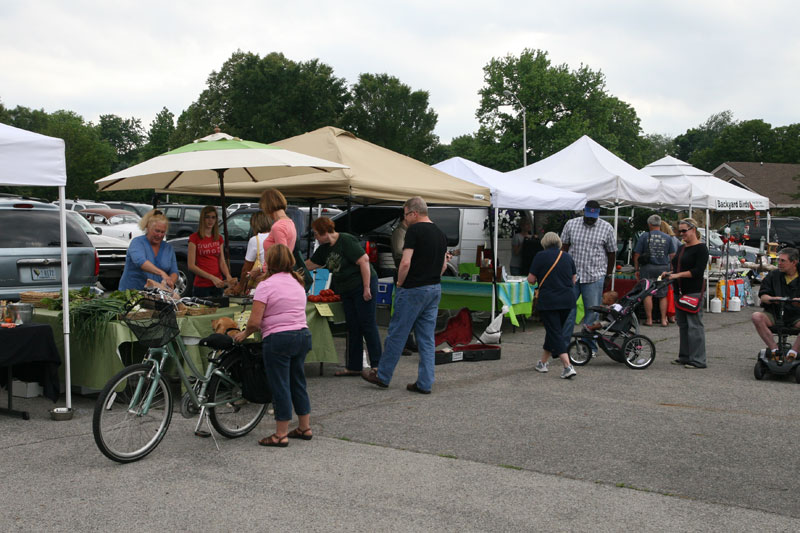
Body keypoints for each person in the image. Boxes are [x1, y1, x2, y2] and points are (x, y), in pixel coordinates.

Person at [362, 196, 448, 394]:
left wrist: (400, 283)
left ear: (414, 213)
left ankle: (383, 375)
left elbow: (405, 262)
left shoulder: (414, 231)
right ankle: (425, 382)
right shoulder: (440, 233)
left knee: (397, 333)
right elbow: (443, 265)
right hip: (434, 288)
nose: (405, 219)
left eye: (406, 214)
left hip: (412, 289)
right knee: (426, 338)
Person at [234, 244, 312, 447]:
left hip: (278, 339)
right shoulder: (297, 282)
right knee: (297, 381)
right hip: (302, 335)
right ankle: (304, 427)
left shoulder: (265, 286)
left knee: (280, 385)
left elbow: (254, 322)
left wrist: (245, 333)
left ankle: (280, 434)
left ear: (270, 262)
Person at [306, 217, 382, 376]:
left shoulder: (345, 240)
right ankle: (354, 367)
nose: (315, 238)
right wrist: (288, 266)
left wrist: (367, 288)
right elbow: (310, 264)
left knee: (367, 323)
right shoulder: (324, 248)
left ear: (325, 232)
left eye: (316, 234)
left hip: (362, 285)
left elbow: (364, 261)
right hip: (346, 289)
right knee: (353, 326)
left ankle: (378, 365)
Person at [560, 200, 616, 352]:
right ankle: (563, 346)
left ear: (598, 214)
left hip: (595, 275)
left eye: (594, 216)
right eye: (588, 215)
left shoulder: (606, 228)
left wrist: (608, 274)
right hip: (572, 275)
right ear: (583, 211)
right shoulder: (571, 224)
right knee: (568, 311)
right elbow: (564, 248)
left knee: (592, 313)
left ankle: (589, 347)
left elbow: (611, 253)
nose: (591, 219)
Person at [528, 232, 577, 379]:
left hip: (549, 300)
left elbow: (531, 279)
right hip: (567, 300)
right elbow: (573, 280)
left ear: (544, 243)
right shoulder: (567, 257)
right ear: (559, 243)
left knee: (555, 332)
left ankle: (567, 366)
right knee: (554, 330)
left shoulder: (540, 256)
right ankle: (542, 363)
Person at [665, 218, 709, 369]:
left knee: (694, 325)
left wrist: (677, 276)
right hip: (680, 290)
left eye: (684, 231)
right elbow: (678, 268)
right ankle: (684, 356)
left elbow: (697, 271)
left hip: (693, 291)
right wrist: (670, 273)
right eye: (679, 231)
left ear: (693, 230)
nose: (681, 234)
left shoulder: (701, 249)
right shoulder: (682, 248)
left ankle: (698, 360)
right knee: (683, 325)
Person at [752, 247, 800, 361]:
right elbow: (763, 296)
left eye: (783, 261)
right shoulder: (773, 275)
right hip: (775, 313)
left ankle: (793, 352)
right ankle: (774, 350)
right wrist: (772, 299)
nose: (779, 263)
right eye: (779, 260)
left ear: (794, 262)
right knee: (756, 316)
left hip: (796, 315)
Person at [119, 209, 179, 291]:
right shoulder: (137, 242)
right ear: (148, 227)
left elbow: (174, 271)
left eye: (163, 232)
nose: (160, 235)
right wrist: (162, 273)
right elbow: (141, 262)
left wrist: (169, 281)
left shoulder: (168, 248)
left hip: (156, 294)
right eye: (157, 231)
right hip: (133, 292)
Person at [634, 214, 677, 327]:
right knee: (662, 294)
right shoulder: (668, 237)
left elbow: (637, 254)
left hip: (647, 268)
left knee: (648, 293)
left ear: (649, 224)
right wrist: (672, 268)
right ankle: (663, 320)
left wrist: (636, 268)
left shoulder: (644, 236)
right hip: (663, 269)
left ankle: (649, 319)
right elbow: (672, 255)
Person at [188, 205, 234, 298]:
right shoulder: (194, 238)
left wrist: (228, 275)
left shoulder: (219, 238)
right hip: (201, 285)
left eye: (213, 217)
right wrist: (211, 277)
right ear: (203, 219)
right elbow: (191, 266)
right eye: (207, 217)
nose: (210, 220)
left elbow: (222, 261)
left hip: (218, 284)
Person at [234, 211, 270, 295]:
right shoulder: (274, 236)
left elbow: (246, 268)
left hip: (260, 283)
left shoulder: (255, 240)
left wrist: (240, 285)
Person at [260, 188, 296, 254]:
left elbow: (282, 256)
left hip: (272, 264)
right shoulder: (290, 223)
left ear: (267, 206)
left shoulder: (278, 226)